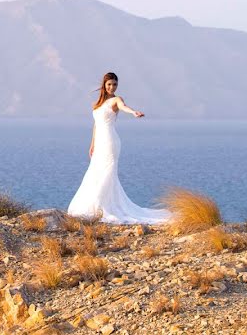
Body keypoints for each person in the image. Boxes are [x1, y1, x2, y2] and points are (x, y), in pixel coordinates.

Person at [67, 72, 172, 224]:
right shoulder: (98, 103)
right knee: (95, 172)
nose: (112, 87)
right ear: (104, 84)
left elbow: (124, 107)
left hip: (110, 141)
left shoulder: (117, 100)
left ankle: (103, 207)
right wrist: (92, 144)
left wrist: (133, 112)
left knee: (107, 173)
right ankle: (95, 205)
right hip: (100, 142)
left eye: (115, 84)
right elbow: (96, 125)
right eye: (109, 84)